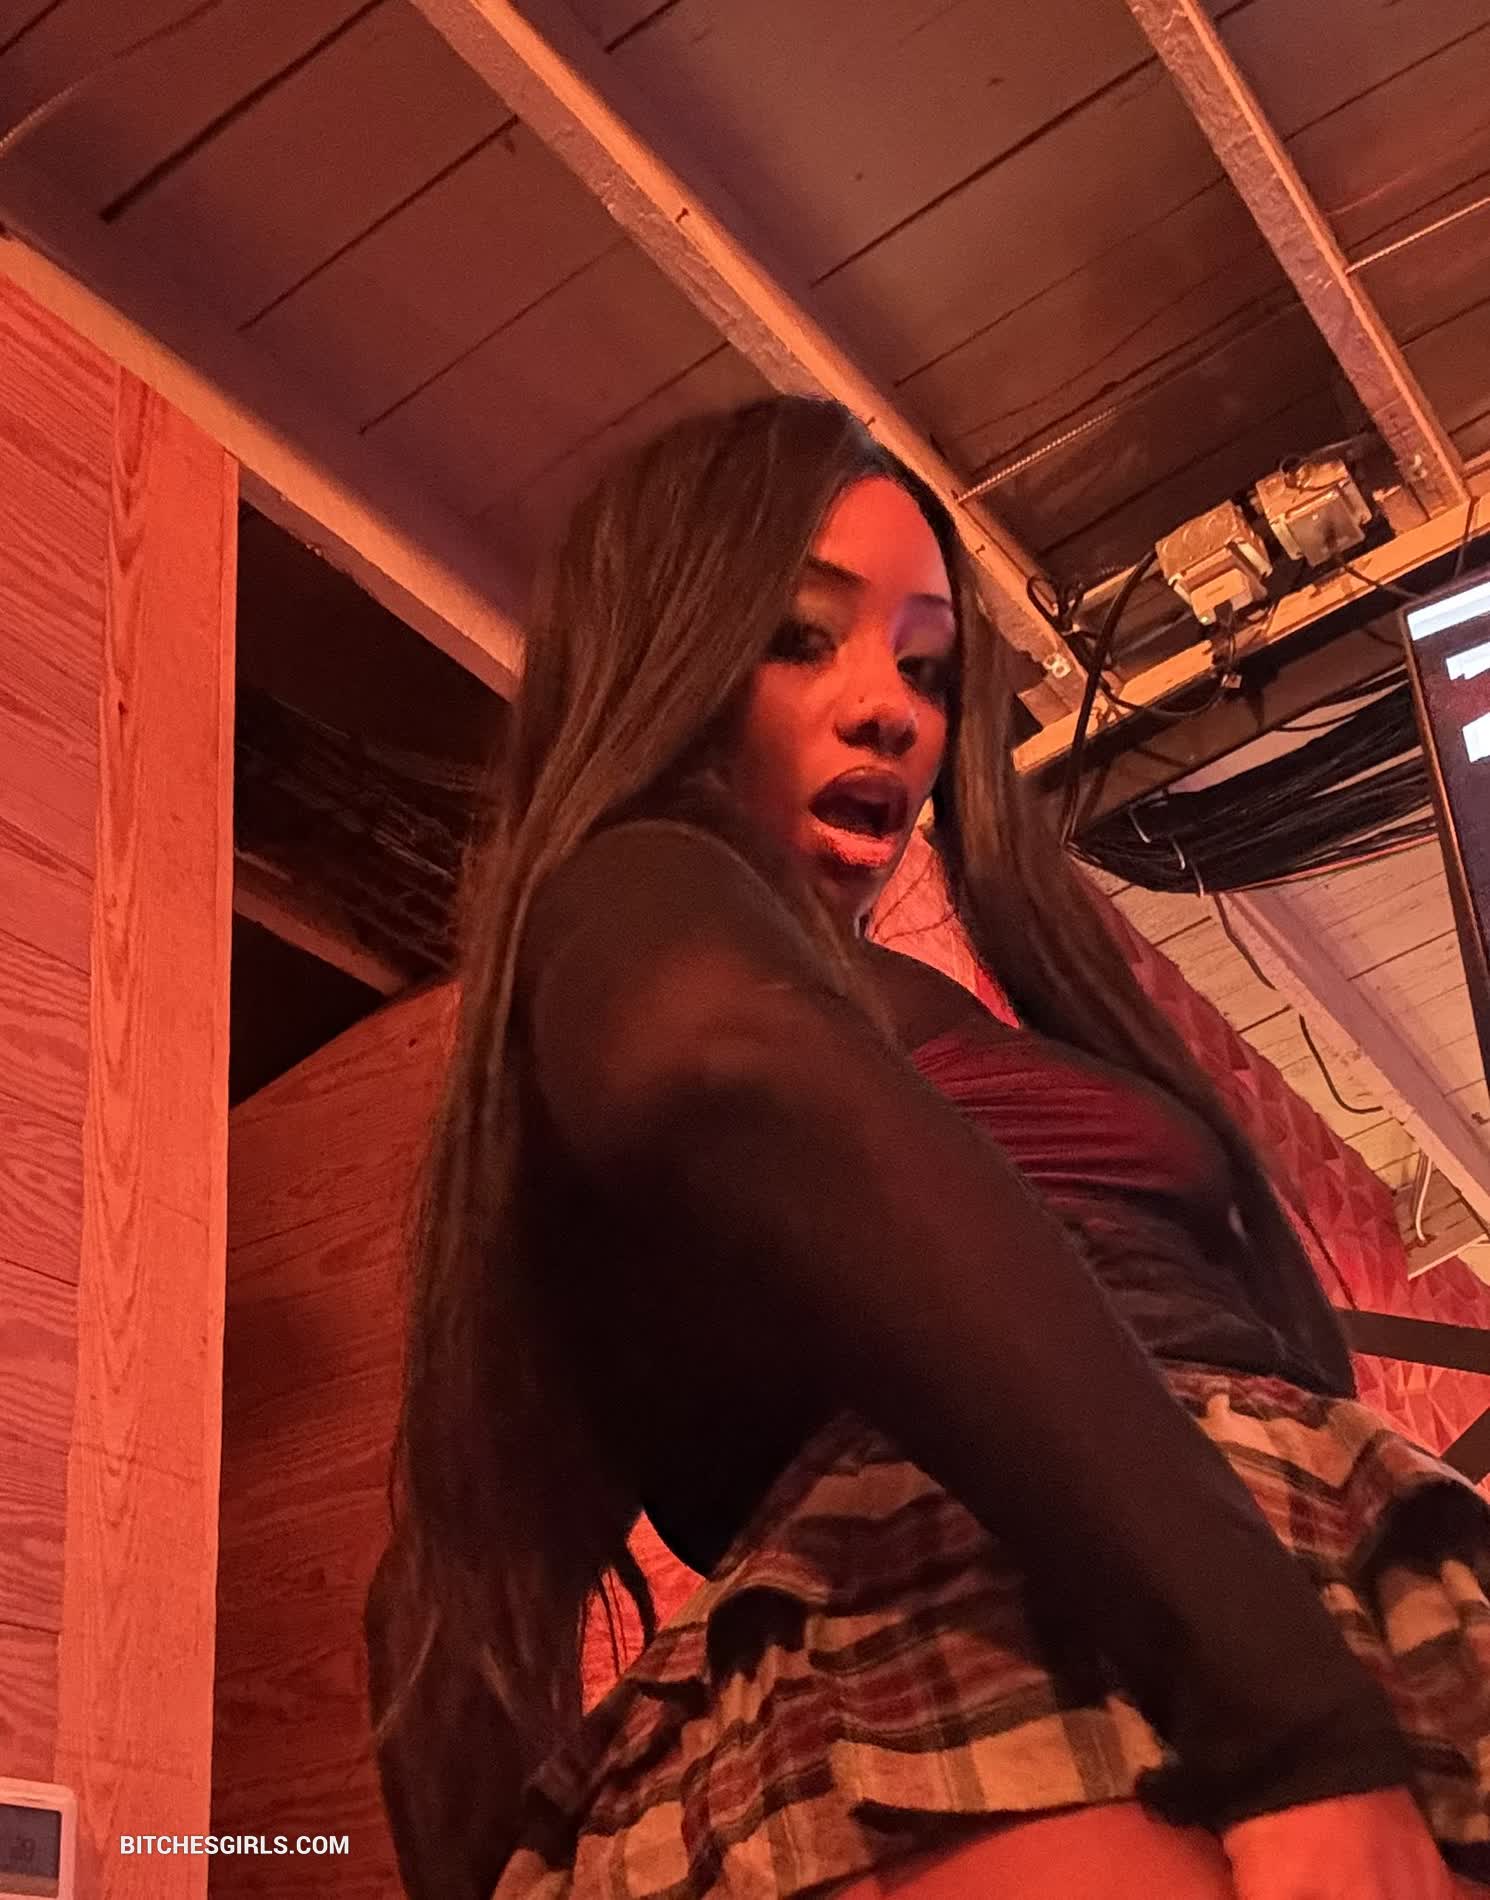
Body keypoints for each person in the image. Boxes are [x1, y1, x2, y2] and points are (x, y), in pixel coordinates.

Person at [365, 397, 1490, 1900]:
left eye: (927, 666)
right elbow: (726, 1059)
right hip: (1018, 1636)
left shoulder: (845, 997)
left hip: (1201, 1601)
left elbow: (436, 1594)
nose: (891, 709)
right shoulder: (635, 893)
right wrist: (1288, 1727)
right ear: (666, 650)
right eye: (800, 636)